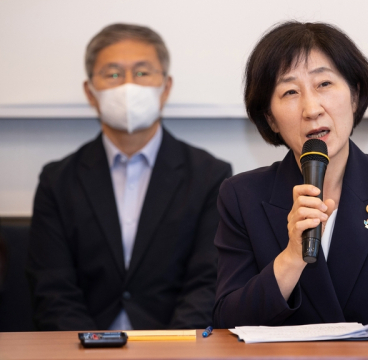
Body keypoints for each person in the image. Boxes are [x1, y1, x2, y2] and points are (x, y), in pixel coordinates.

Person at [213, 22, 368, 328]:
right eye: (290, 91)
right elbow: (226, 317)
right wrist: (290, 259)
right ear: (271, 119)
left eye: (324, 85)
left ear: (355, 95)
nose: (311, 108)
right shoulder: (242, 196)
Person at [27, 23, 232, 331]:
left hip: (175, 349)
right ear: (90, 92)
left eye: (141, 73)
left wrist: (169, 353)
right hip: (82, 349)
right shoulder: (57, 180)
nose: (127, 86)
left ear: (166, 87)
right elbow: (53, 289)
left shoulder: (210, 176)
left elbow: (207, 283)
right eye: (112, 74)